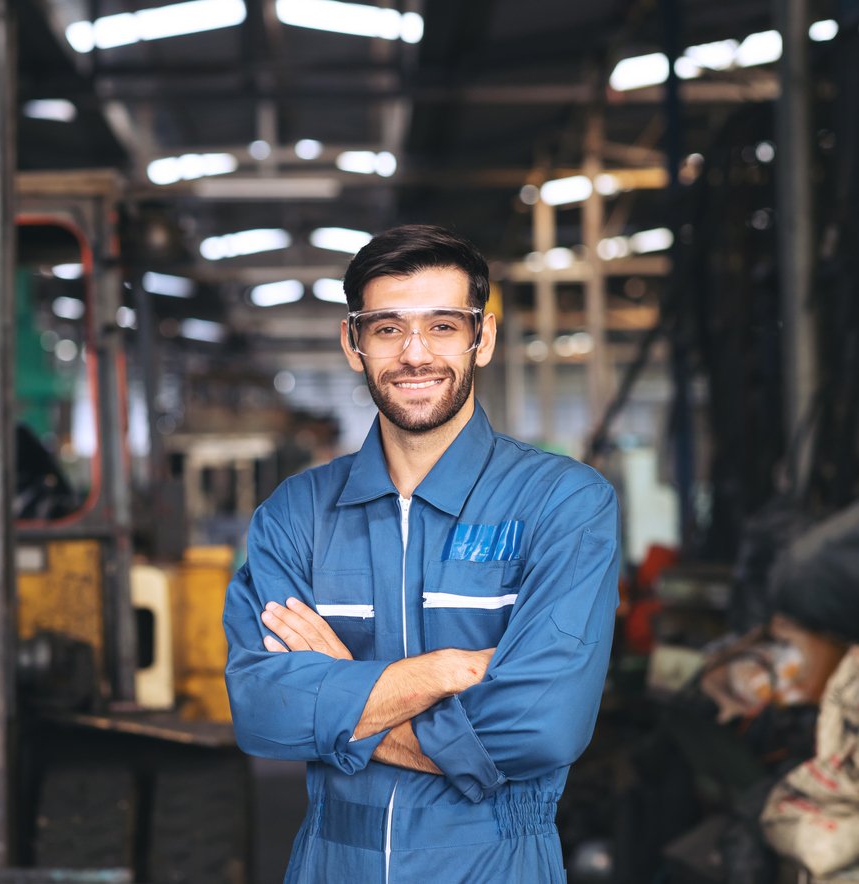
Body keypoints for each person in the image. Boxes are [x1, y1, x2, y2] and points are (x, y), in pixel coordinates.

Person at [223, 224, 620, 883]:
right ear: (353, 344)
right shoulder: (295, 514)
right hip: (330, 863)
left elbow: (539, 729)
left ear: (482, 339)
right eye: (386, 328)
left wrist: (340, 695)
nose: (414, 354)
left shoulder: (564, 504)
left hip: (498, 863)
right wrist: (436, 672)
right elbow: (263, 711)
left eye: (441, 326)